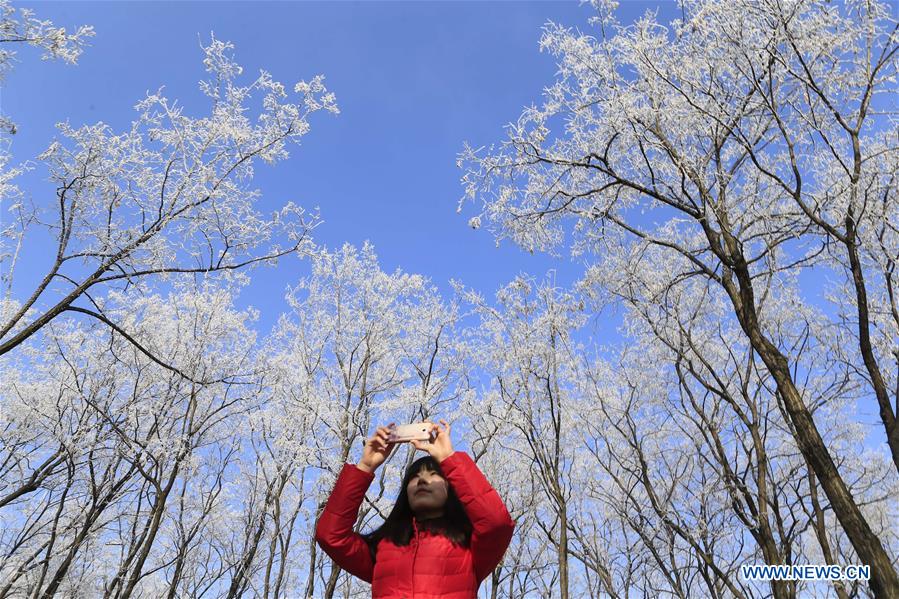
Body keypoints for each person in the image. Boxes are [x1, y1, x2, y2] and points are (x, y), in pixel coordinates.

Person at [315, 420, 515, 599]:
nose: (422, 480)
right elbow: (331, 536)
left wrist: (448, 458)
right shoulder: (383, 548)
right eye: (414, 477)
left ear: (450, 487)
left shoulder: (470, 546)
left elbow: (497, 523)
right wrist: (365, 467)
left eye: (433, 474)